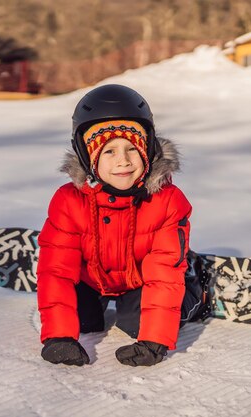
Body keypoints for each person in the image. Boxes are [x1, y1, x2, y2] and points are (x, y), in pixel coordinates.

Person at [37, 84, 206, 367]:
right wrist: (59, 337)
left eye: (132, 148)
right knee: (84, 321)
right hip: (94, 278)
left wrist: (155, 341)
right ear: (87, 157)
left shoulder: (167, 201)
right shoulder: (68, 200)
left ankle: (196, 283)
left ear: (147, 149)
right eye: (109, 152)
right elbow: (56, 272)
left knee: (138, 323)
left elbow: (162, 274)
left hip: (139, 279)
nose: (123, 161)